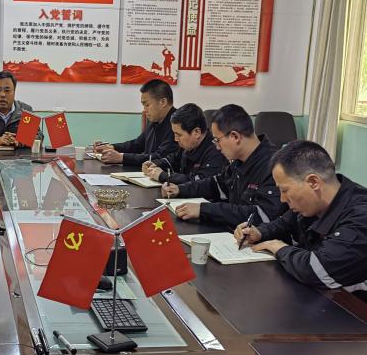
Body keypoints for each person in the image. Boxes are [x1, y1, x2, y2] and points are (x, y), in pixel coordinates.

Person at [234, 140, 367, 294]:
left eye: (285, 190)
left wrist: (278, 247)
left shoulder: (361, 215)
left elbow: (317, 270)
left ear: (313, 182)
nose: (282, 199)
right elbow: (284, 224)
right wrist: (259, 232)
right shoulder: (314, 204)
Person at [162, 104, 284, 230]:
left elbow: (262, 215)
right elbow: (217, 184)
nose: (217, 147)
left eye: (217, 140)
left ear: (235, 137)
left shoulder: (274, 166)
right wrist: (180, 189)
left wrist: (204, 209)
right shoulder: (240, 160)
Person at [95, 79, 178, 166]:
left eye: (147, 105)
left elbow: (160, 157)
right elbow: (137, 144)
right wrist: (112, 147)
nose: (144, 110)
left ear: (163, 102)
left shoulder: (177, 125)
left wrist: (121, 157)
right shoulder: (155, 120)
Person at [142, 103, 226, 185]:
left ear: (197, 132)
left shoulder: (216, 151)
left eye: (179, 135)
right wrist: (156, 164)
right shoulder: (188, 145)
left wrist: (164, 176)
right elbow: (174, 159)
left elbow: (200, 183)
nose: (175, 139)